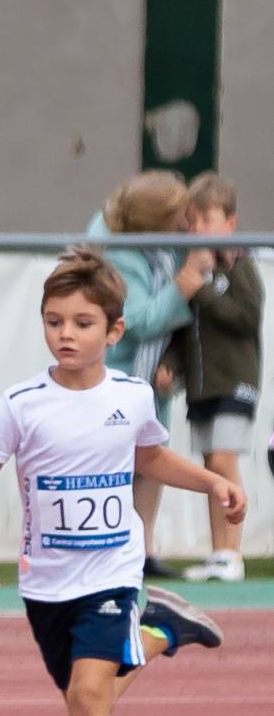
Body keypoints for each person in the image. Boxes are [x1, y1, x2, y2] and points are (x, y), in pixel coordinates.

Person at [0, 247, 240, 716]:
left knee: (89, 697)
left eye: (82, 323)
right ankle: (166, 629)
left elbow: (150, 457)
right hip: (46, 583)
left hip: (112, 571)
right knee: (92, 696)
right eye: (55, 321)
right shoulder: (22, 402)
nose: (66, 334)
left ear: (113, 331)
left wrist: (211, 483)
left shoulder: (132, 397)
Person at [88, 171, 214, 579]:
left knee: (150, 460)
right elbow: (139, 319)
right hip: (115, 373)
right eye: (178, 215)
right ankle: (108, 554)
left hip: (151, 376)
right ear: (155, 220)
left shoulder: (160, 247)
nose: (185, 223)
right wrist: (186, 282)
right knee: (114, 465)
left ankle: (142, 552)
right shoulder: (119, 252)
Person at [170, 175, 261, 583]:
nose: (201, 229)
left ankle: (232, 552)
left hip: (235, 383)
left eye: (210, 219)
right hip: (202, 386)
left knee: (224, 460)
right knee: (210, 466)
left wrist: (201, 291)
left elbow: (246, 317)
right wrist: (172, 364)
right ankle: (218, 551)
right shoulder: (191, 267)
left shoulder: (239, 264)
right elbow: (184, 329)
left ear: (230, 222)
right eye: (195, 220)